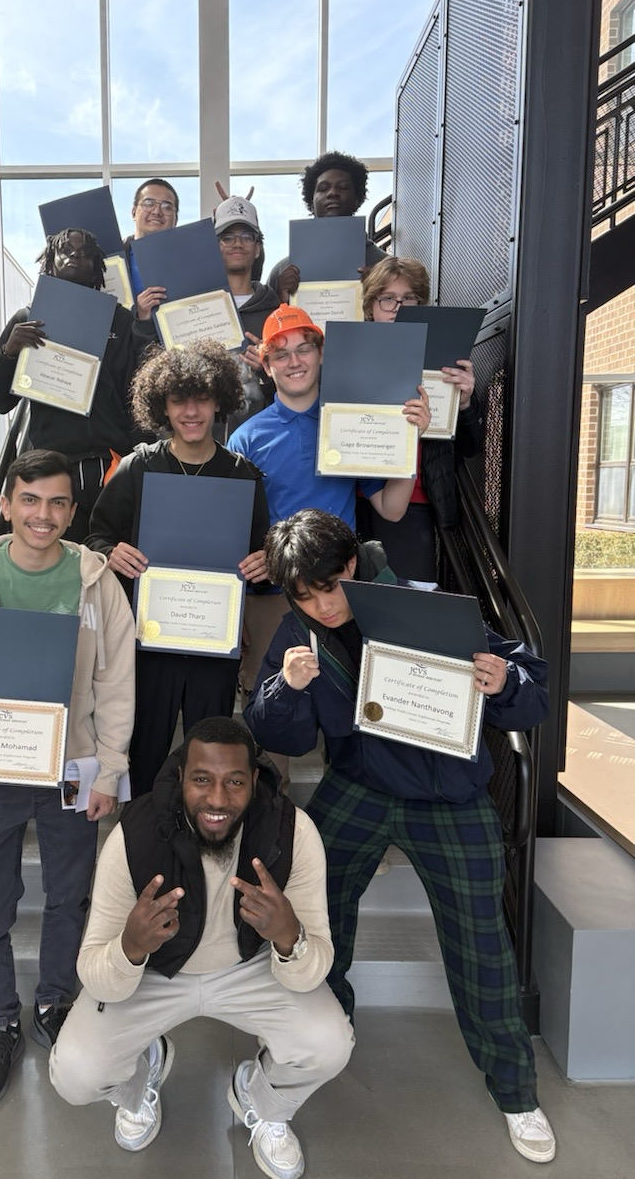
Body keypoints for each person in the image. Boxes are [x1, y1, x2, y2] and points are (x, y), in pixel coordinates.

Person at [244, 509, 556, 1165]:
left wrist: (505, 683)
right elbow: (283, 736)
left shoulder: (429, 606)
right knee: (314, 917)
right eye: (303, 595)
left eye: (328, 587)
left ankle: (515, 1090)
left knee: (481, 942)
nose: (322, 606)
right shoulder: (299, 634)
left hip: (451, 795)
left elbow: (531, 691)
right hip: (359, 785)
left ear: (351, 566)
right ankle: (324, 1037)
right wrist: (286, 687)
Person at [0, 449, 135, 1105]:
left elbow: (117, 684)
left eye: (58, 502)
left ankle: (54, 1003)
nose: (43, 515)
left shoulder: (98, 582)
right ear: (8, 504)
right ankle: (1, 1020)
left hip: (72, 765)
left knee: (69, 896)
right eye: (30, 501)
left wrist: (110, 773)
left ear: (73, 510)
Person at [49, 716, 354, 1179]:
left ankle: (264, 1102)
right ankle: (142, 1072)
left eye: (234, 782)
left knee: (330, 1043)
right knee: (74, 1075)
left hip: (250, 969)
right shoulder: (134, 833)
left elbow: (314, 969)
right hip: (152, 973)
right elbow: (95, 972)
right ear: (180, 778)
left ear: (254, 780)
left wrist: (289, 936)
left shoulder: (293, 831)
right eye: (201, 780)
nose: (217, 799)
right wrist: (130, 948)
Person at [226, 304, 430, 780]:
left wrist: (410, 440)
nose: (294, 361)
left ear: (321, 354)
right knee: (271, 703)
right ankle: (269, 811)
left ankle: (350, 804)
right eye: (281, 354)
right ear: (266, 362)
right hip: (273, 597)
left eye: (304, 348)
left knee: (354, 702)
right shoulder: (246, 439)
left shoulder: (351, 422)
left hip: (342, 591)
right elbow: (234, 529)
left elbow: (392, 509)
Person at [86, 340, 270, 795]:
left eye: (201, 398)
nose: (191, 411)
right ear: (161, 406)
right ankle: (147, 828)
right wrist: (110, 552)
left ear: (219, 401)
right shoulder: (137, 468)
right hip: (150, 637)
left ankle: (204, 825)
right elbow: (94, 538)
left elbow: (263, 552)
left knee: (209, 739)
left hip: (214, 638)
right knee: (146, 742)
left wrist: (266, 562)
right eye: (178, 399)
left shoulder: (242, 474)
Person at [0, 228, 142, 541]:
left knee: (105, 562)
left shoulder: (120, 321)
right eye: (66, 251)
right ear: (50, 261)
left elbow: (134, 396)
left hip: (105, 465)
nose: (74, 257)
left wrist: (133, 459)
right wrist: (9, 352)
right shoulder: (27, 318)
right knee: (50, 560)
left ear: (98, 266)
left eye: (85, 254)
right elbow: (0, 400)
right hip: (49, 464)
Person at [357, 256, 483, 586]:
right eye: (387, 299)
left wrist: (465, 403)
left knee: (409, 605)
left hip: (417, 503)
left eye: (408, 298)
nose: (398, 307)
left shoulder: (444, 358)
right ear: (371, 307)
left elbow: (472, 447)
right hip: (357, 500)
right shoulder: (352, 357)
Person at [133, 194, 281, 437]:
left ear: (257, 249)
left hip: (252, 446)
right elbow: (150, 367)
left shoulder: (274, 314)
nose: (237, 244)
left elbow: (290, 389)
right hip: (189, 444)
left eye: (246, 236)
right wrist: (143, 320)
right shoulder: (184, 307)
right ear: (214, 247)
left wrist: (268, 370)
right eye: (227, 237)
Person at [267, 151, 389, 304]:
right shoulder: (281, 271)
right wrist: (281, 299)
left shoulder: (385, 267)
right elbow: (266, 325)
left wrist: (382, 293)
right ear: (311, 203)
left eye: (343, 187)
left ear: (357, 200)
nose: (333, 193)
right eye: (323, 188)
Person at [122, 178, 181, 312]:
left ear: (175, 219)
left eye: (167, 207)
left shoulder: (191, 260)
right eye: (148, 203)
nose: (157, 212)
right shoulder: (109, 261)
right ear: (133, 213)